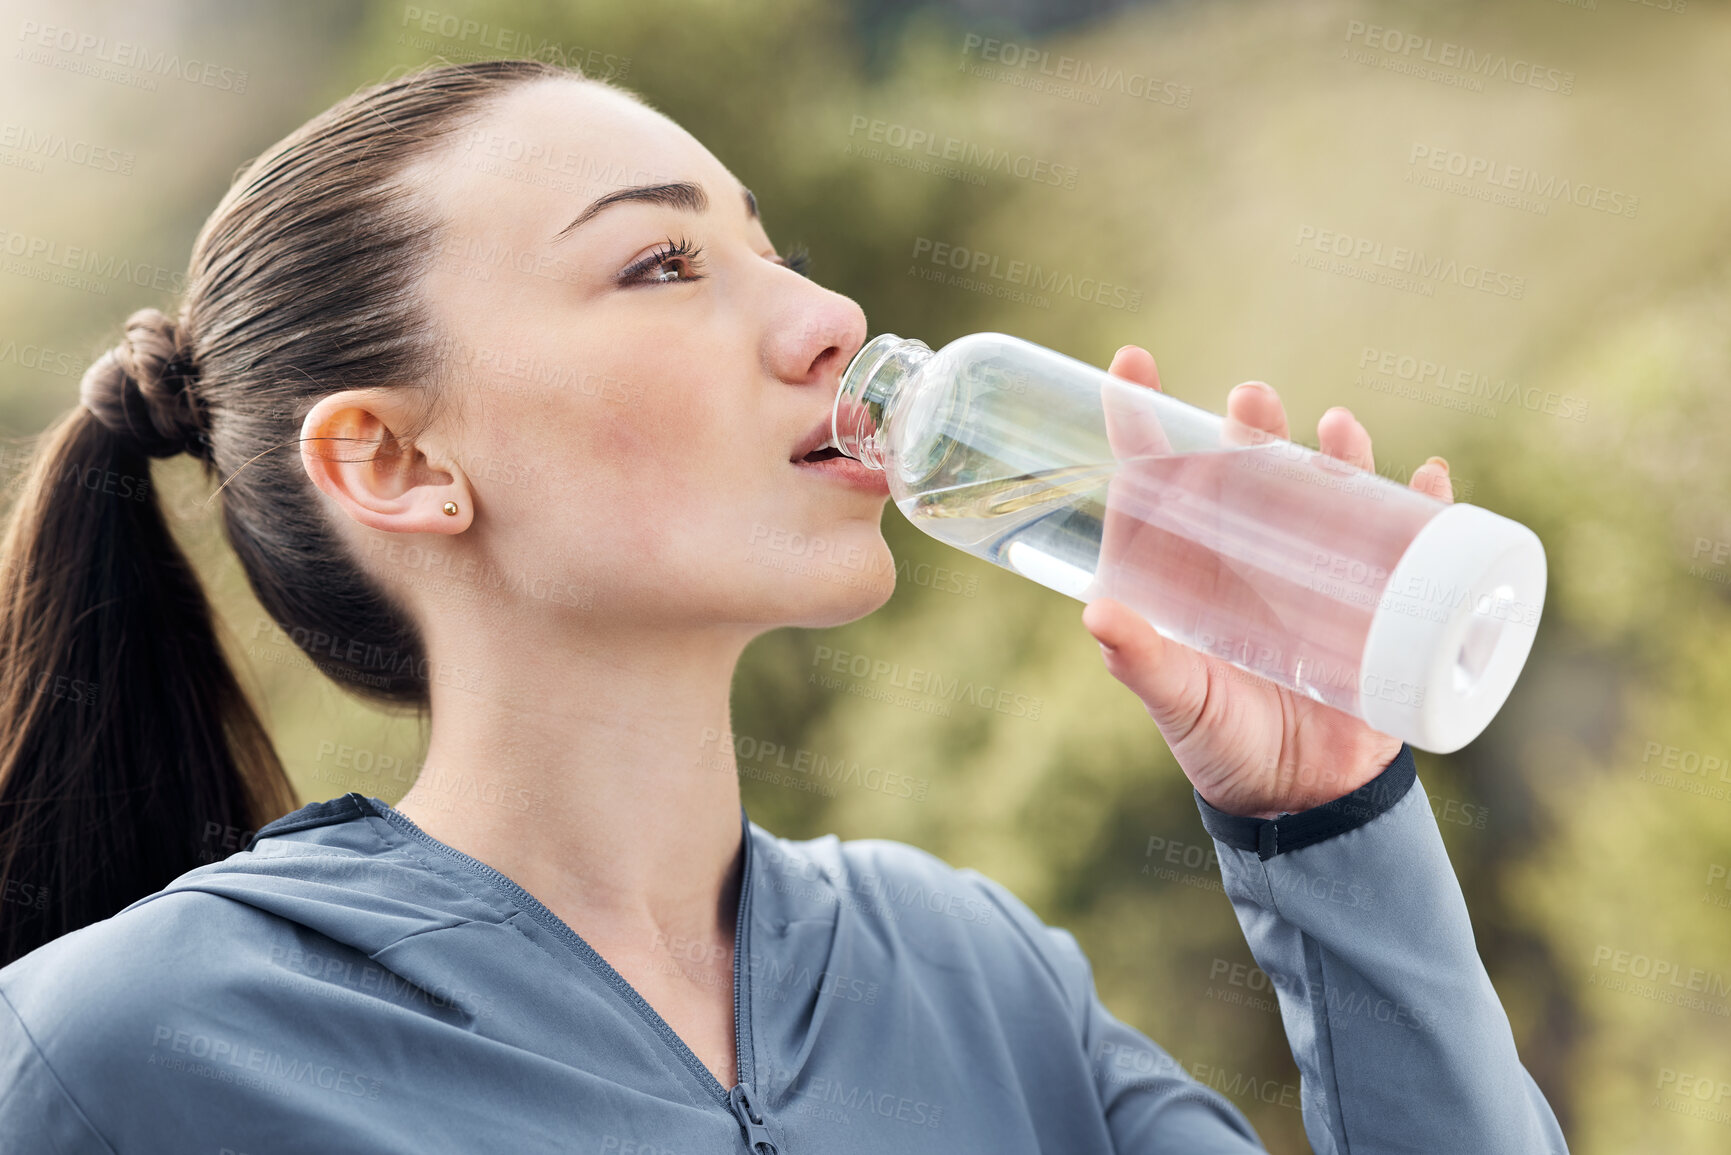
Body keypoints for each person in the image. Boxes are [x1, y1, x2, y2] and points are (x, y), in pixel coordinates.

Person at [0, 59, 1567, 1153]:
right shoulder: (118, 1054)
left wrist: (1328, 824)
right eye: (664, 264)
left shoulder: (975, 975)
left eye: (781, 252)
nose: (829, 320)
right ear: (397, 460)